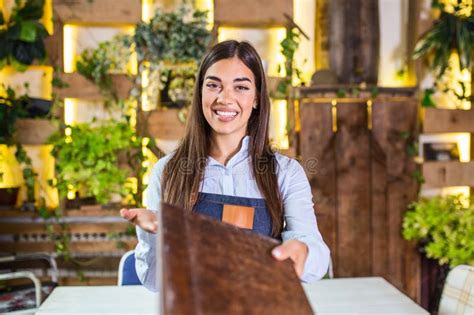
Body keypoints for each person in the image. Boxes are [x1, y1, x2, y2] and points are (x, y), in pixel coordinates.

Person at [121, 40, 330, 292]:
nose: (225, 98)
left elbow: (317, 256)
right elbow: (155, 281)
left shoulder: (285, 173)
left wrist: (303, 251)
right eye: (213, 85)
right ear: (200, 93)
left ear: (256, 98)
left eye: (241, 87)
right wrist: (154, 234)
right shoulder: (168, 172)